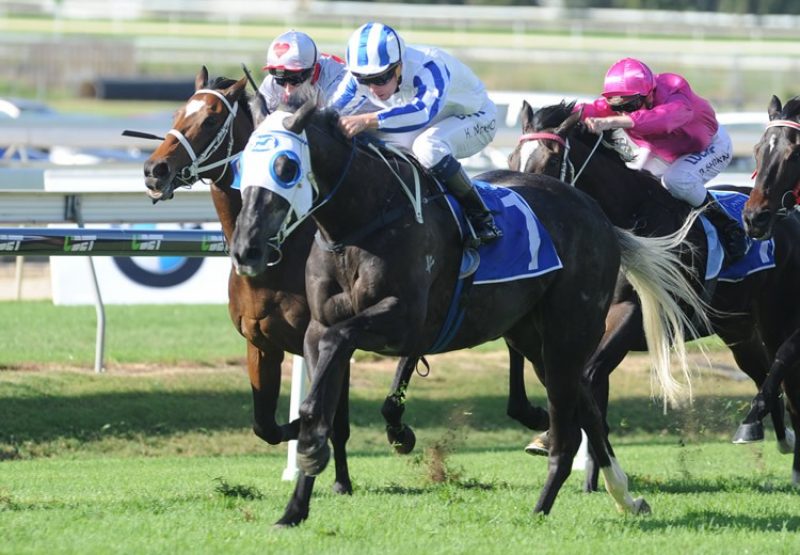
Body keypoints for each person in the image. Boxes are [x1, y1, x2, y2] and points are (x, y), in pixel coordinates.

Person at [328, 22, 501, 245]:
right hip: (430, 121)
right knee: (369, 141)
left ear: (398, 66)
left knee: (428, 148)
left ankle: (480, 216)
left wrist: (366, 119)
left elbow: (422, 113)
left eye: (380, 79)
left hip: (477, 117)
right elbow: (327, 112)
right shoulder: (358, 77)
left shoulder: (429, 65)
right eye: (364, 80)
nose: (372, 88)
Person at [577, 57, 747, 262]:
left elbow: (664, 119)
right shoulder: (627, 101)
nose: (623, 110)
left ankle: (727, 226)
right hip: (662, 152)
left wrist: (612, 120)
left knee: (677, 181)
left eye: (630, 105)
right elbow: (589, 109)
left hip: (709, 146)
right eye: (616, 106)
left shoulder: (675, 90)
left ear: (649, 93)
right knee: (630, 184)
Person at [258, 30, 346, 114]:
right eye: (280, 81)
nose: (288, 90)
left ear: (313, 69)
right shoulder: (271, 82)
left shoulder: (338, 81)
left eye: (294, 80)